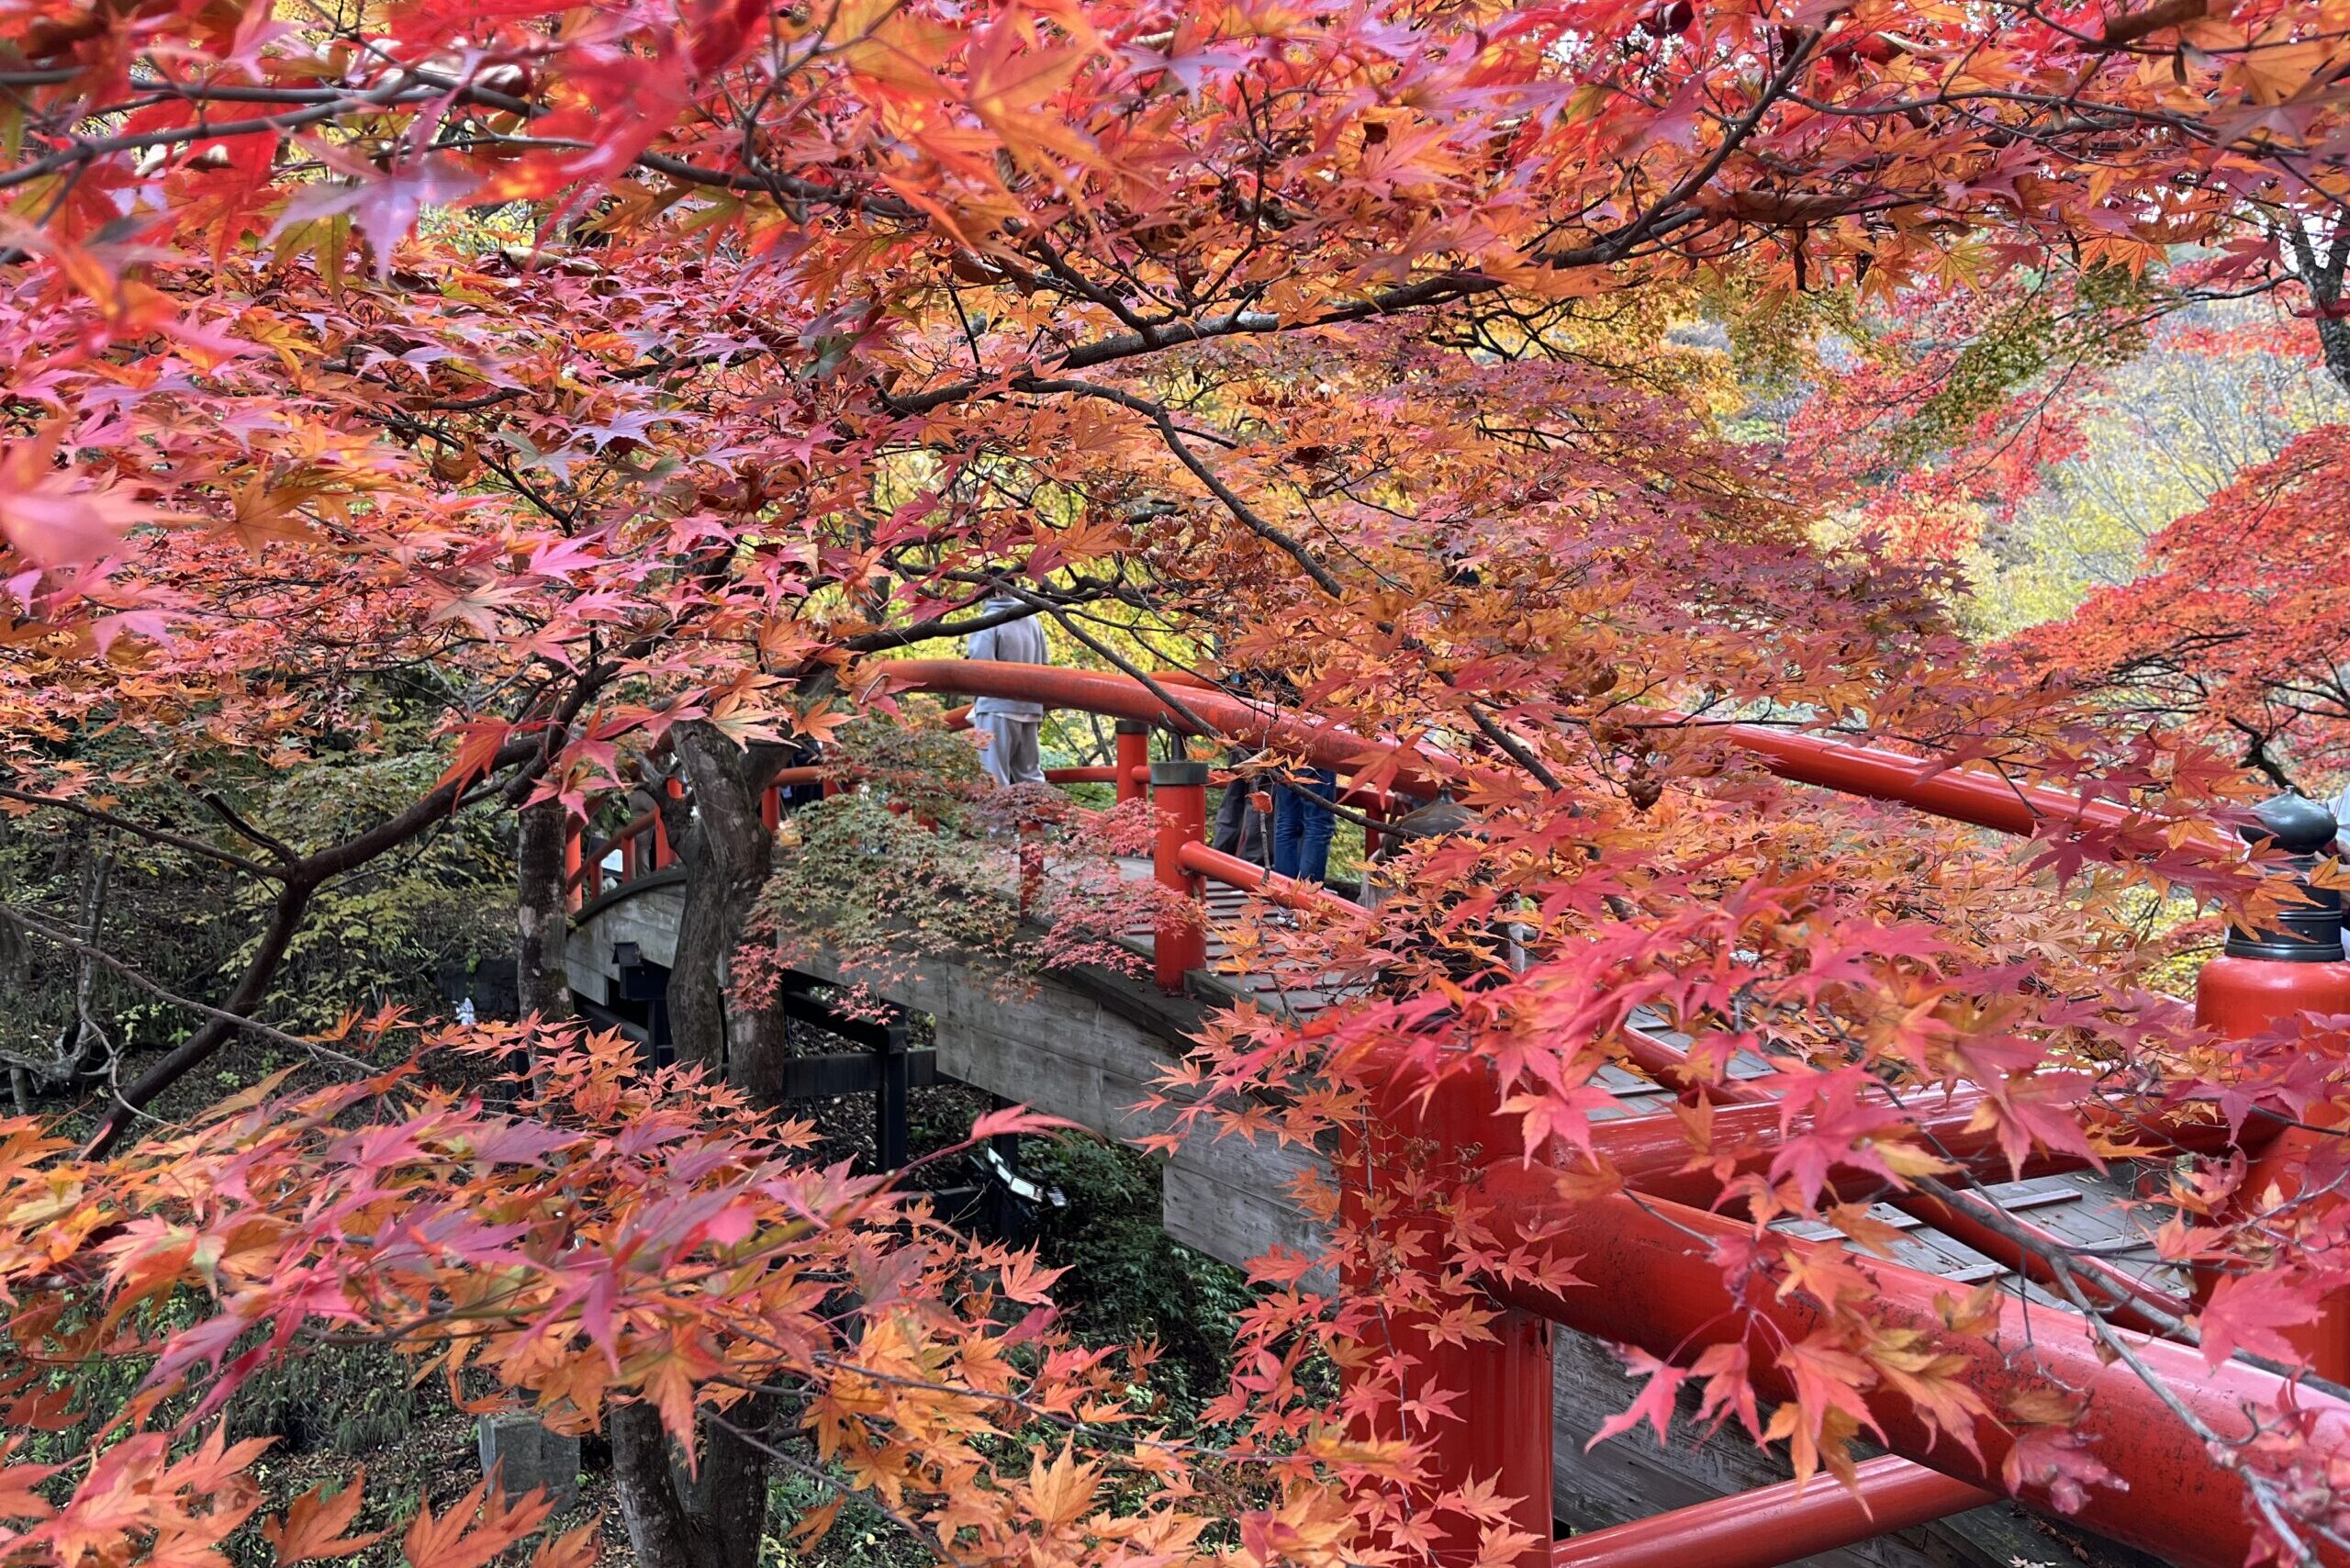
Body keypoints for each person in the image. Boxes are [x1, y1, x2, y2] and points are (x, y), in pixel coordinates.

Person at [964, 594, 1049, 786]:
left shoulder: (988, 621)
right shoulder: (1032, 620)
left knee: (992, 777)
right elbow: (1045, 663)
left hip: (997, 707)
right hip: (1031, 708)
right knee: (1031, 778)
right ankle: (1047, 814)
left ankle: (994, 817)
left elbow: (980, 668)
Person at [1271, 764, 1337, 884]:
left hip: (1284, 751)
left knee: (1287, 823)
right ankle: (1307, 893)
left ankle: (1283, 891)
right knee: (1318, 823)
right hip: (1317, 752)